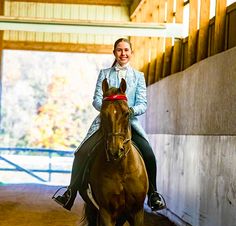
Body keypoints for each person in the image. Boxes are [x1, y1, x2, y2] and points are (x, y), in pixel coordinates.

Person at [53, 38, 165, 212]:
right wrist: (108, 108)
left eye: (126, 50)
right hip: (105, 123)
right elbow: (96, 100)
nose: (123, 53)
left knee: (148, 154)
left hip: (128, 123)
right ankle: (70, 192)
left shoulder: (139, 76)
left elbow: (143, 103)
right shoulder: (104, 73)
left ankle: (153, 194)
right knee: (81, 152)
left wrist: (128, 111)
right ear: (114, 53)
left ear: (131, 53)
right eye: (119, 50)